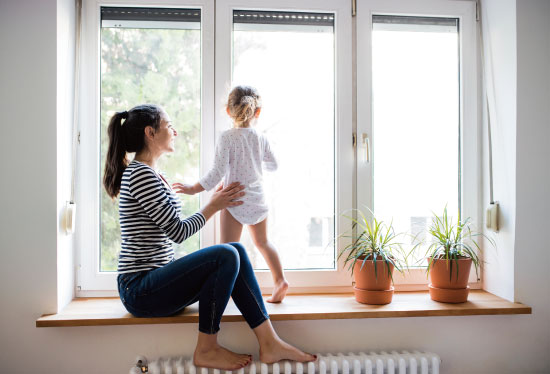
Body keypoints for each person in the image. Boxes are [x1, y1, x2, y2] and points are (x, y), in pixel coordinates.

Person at [103, 104, 316, 370]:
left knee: (235, 249)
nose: (175, 131)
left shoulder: (153, 174)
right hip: (139, 289)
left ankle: (269, 341)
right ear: (150, 132)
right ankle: (207, 348)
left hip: (154, 282)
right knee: (226, 253)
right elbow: (178, 231)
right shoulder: (141, 175)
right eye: (169, 126)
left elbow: (170, 225)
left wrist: (214, 201)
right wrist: (213, 205)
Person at [174, 86, 288, 303]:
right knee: (263, 242)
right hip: (258, 198)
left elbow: (216, 173)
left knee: (227, 250)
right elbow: (274, 165)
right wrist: (255, 163)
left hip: (233, 199)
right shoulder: (260, 138)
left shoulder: (227, 138)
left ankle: (228, 293)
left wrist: (192, 188)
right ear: (258, 112)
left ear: (228, 110)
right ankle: (280, 280)